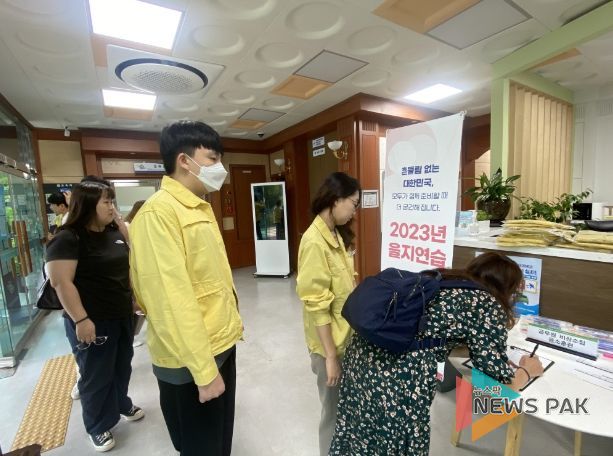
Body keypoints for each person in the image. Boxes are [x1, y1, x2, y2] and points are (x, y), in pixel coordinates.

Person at [329, 252, 545, 456]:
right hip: (397, 381)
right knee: (397, 439)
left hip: (360, 362)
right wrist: (527, 370)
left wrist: (483, 351)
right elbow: (502, 386)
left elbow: (432, 334)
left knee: (359, 432)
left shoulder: (444, 279)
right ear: (505, 288)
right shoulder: (487, 303)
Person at [129, 121, 243, 456]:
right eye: (212, 159)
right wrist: (204, 372)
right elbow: (170, 302)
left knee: (219, 441)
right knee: (201, 446)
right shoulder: (158, 213)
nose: (220, 168)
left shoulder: (196, 205)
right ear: (184, 160)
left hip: (218, 345)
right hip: (190, 363)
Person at [46, 181, 144, 452]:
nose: (112, 207)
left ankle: (121, 403)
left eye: (112, 201)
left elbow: (125, 269)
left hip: (121, 314)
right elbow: (61, 282)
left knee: (122, 366)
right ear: (88, 205)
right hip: (92, 319)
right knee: (95, 374)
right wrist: (80, 319)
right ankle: (97, 425)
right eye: (106, 202)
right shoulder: (68, 238)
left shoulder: (114, 232)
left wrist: (133, 298)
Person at [296, 172, 361, 456]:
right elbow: (317, 305)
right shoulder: (314, 242)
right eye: (353, 204)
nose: (355, 211)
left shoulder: (336, 233)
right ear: (336, 200)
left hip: (347, 337)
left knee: (349, 409)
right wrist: (330, 357)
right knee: (333, 414)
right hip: (329, 346)